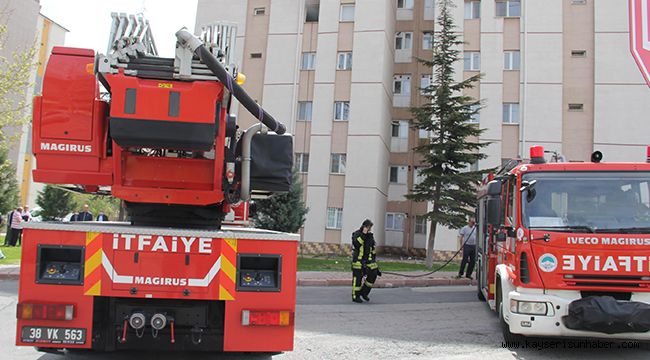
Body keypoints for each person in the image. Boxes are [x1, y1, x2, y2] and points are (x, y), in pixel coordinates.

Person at [351, 219, 380, 303]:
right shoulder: (356, 234)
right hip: (358, 262)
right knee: (357, 279)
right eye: (368, 227)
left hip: (368, 262)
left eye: (370, 228)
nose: (369, 229)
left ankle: (364, 293)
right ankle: (355, 296)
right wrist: (363, 234)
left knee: (373, 274)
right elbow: (357, 244)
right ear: (364, 227)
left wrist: (374, 263)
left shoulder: (370, 236)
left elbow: (372, 250)